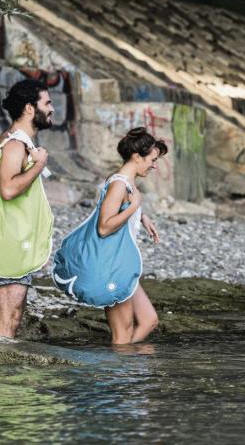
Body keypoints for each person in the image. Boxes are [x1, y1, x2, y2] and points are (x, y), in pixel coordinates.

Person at [0, 79, 53, 338]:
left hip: (16, 241)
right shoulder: (14, 144)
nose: (52, 109)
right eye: (47, 103)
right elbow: (8, 189)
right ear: (29, 109)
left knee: (10, 315)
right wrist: (38, 165)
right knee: (9, 318)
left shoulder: (18, 141)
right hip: (8, 242)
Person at [100, 127, 166, 345]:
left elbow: (121, 208)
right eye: (152, 159)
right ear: (137, 157)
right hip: (114, 264)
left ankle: (124, 367)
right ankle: (119, 374)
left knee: (149, 320)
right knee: (123, 333)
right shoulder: (119, 183)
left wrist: (140, 216)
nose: (154, 165)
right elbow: (104, 227)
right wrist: (133, 208)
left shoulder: (126, 183)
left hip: (123, 264)